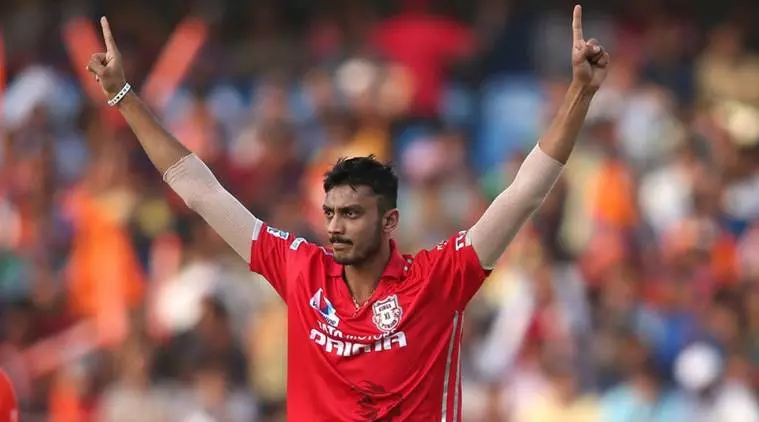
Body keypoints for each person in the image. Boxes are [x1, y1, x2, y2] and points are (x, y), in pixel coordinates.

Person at [85, 5, 609, 420]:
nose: (335, 227)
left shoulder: (437, 279)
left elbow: (523, 194)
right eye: (330, 213)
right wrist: (123, 96)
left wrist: (580, 94)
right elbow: (202, 192)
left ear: (389, 222)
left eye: (352, 214)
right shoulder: (301, 269)